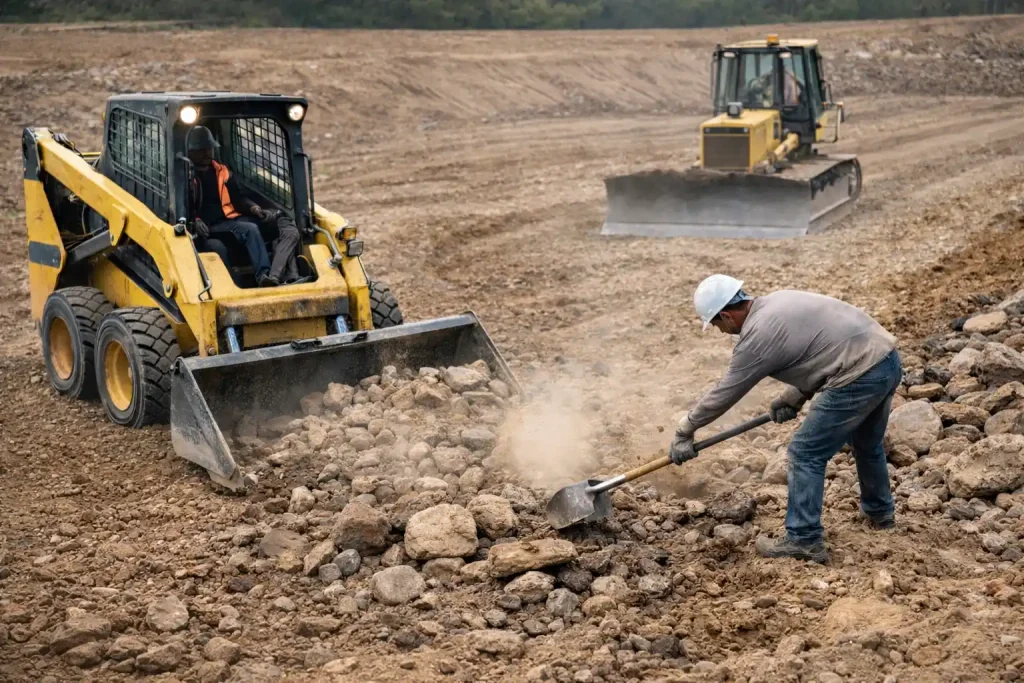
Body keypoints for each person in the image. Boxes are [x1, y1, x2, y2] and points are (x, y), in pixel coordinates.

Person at [669, 274, 901, 564]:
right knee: (867, 443)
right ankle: (880, 514)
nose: (720, 331)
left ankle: (804, 539)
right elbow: (822, 347)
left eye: (716, 325)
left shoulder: (757, 336)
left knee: (804, 453)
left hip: (859, 376)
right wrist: (797, 394)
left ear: (727, 316)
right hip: (886, 359)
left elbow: (726, 392)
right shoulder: (777, 301)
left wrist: (685, 429)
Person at [187, 126, 279, 287]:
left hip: (227, 221)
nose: (208, 153)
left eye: (209, 149)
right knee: (248, 230)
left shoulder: (222, 172)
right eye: (202, 150)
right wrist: (195, 220)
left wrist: (254, 208)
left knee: (270, 224)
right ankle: (255, 278)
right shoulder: (185, 176)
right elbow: (183, 206)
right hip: (207, 227)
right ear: (191, 152)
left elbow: (238, 198)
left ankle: (270, 276)